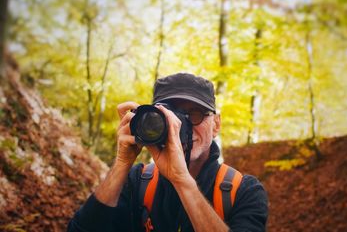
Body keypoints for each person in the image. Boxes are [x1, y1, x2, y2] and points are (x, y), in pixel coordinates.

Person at [67, 73, 268, 232]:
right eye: (171, 116)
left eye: (195, 114)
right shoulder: (138, 181)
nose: (181, 126)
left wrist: (182, 180)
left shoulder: (243, 191)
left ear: (216, 124)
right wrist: (122, 162)